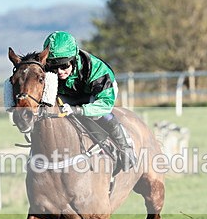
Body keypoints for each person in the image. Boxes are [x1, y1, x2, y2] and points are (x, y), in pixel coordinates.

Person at [43, 30, 137, 172]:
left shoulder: (97, 70)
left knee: (97, 114)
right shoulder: (45, 68)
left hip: (97, 95)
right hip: (68, 94)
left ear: (74, 59)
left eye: (64, 66)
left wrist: (79, 110)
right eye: (53, 67)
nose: (59, 72)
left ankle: (125, 147)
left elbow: (105, 105)